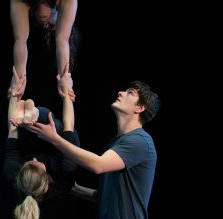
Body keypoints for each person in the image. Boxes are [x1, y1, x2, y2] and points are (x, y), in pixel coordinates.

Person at [27, 80, 161, 219]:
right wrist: (72, 188)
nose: (120, 93)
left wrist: (54, 139)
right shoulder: (114, 144)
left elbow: (98, 165)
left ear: (139, 108)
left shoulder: (140, 141)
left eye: (130, 93)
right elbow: (103, 196)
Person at [3, 66, 79, 219]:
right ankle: (33, 113)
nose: (35, 159)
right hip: (58, 140)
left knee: (20, 124)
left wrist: (14, 93)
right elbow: (68, 126)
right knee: (45, 116)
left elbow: (12, 131)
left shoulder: (12, 172)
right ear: (47, 178)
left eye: (29, 162)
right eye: (37, 164)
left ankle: (27, 114)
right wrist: (66, 93)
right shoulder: (63, 176)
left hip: (31, 139)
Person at [9, 0, 78, 101]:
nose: (45, 25)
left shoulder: (23, 2)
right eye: (51, 25)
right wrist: (64, 78)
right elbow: (62, 40)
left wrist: (18, 84)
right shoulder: (67, 1)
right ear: (59, 11)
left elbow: (20, 41)